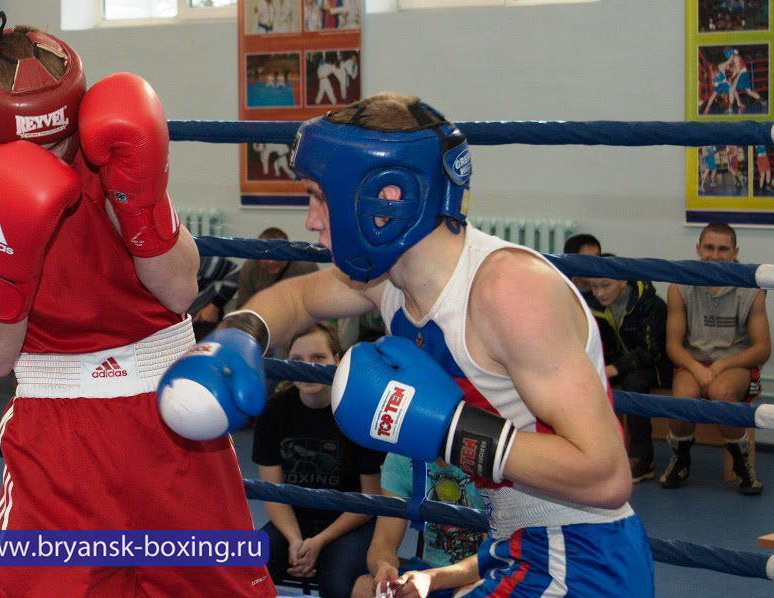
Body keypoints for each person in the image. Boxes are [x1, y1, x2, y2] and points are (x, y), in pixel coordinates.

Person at [159, 93, 652, 596]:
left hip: (584, 562)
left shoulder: (509, 290)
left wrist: (448, 431)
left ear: (384, 197)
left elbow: (607, 477)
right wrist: (242, 334)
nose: (310, 219)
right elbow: (300, 297)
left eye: (319, 195)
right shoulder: (390, 281)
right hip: (514, 546)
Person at [0, 15, 274, 597]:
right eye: (35, 148)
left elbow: (180, 291)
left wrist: (137, 201)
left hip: (171, 407)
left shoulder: (113, 140)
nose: (57, 155)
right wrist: (11, 250)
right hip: (58, 425)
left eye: (61, 139)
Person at [253, 323, 384, 597]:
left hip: (350, 522)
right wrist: (295, 541)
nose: (308, 368)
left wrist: (320, 541)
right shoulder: (274, 410)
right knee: (246, 572)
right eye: (297, 360)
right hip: (294, 521)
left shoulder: (357, 413)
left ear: (337, 360)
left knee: (336, 586)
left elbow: (371, 498)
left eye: (318, 358)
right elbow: (272, 493)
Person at [663, 222, 770, 495]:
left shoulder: (753, 286)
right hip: (693, 361)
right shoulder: (680, 284)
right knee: (682, 399)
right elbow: (673, 345)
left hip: (735, 363)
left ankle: (742, 461)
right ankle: (681, 458)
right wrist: (697, 368)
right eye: (709, 247)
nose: (715, 255)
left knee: (721, 392)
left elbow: (762, 348)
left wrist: (722, 364)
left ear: (735, 252)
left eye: (723, 249)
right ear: (698, 249)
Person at [350, 454, 485, 598]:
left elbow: (491, 557)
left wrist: (432, 579)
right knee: (364, 588)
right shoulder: (401, 455)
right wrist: (383, 567)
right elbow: (384, 542)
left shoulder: (488, 459)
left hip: (481, 574)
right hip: (426, 572)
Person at [585, 267, 671, 483]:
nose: (600, 293)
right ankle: (590, 451)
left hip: (656, 367)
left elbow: (652, 351)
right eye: (594, 287)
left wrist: (615, 369)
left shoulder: (651, 304)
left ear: (622, 281)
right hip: (616, 365)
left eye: (606, 285)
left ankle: (642, 458)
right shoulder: (591, 305)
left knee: (634, 383)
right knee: (582, 380)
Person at [235, 227, 318, 309]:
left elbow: (317, 307)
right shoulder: (250, 267)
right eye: (266, 256)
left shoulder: (306, 267)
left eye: (278, 255)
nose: (272, 262)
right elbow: (242, 307)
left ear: (288, 252)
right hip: (262, 318)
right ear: (258, 254)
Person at [191, 255, 240, 340]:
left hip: (201, 321)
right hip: (170, 329)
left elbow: (234, 272)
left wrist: (215, 305)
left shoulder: (195, 258)